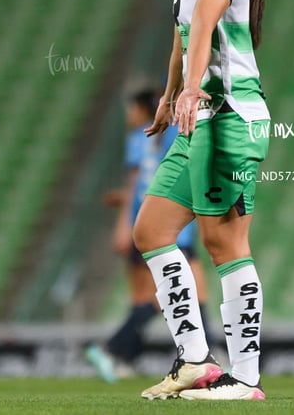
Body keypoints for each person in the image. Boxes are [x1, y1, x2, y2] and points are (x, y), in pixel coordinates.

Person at [133, 0, 270, 401]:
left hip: (230, 115)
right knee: (151, 231)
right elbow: (181, 37)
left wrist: (192, 88)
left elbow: (207, 27)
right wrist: (171, 95)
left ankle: (247, 379)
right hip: (196, 118)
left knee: (224, 242)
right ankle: (195, 361)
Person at [85, 89, 213, 381]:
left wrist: (123, 221)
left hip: (142, 227)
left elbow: (140, 186)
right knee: (185, 293)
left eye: (132, 109)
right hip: (173, 231)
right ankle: (116, 349)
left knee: (145, 299)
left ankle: (125, 357)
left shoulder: (140, 139)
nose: (129, 115)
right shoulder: (176, 135)